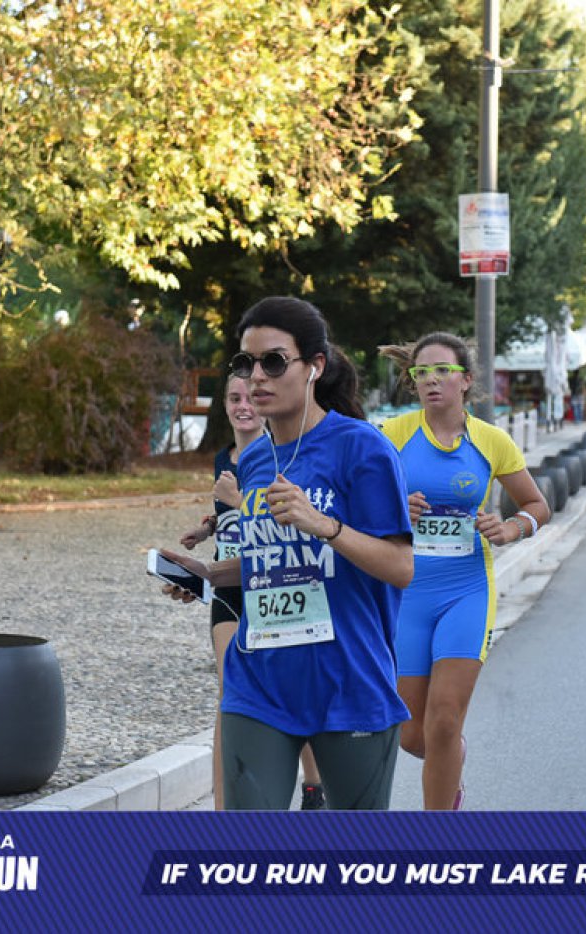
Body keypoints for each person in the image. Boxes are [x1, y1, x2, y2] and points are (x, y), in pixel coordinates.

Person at [157, 296, 414, 810]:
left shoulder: (362, 448)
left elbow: (400, 568)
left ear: (314, 366)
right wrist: (208, 573)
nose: (256, 376)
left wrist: (324, 525)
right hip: (260, 682)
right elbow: (272, 561)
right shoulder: (255, 460)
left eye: (273, 362)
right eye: (245, 363)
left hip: (348, 680)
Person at [380, 333, 551, 810]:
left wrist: (512, 527)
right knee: (411, 732)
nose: (431, 380)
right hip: (408, 593)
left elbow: (538, 505)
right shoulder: (391, 435)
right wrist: (394, 510)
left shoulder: (491, 441)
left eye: (443, 371)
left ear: (467, 380)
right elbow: (357, 504)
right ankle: (451, 764)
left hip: (467, 591)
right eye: (421, 373)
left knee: (444, 720)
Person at [178, 375, 324, 810]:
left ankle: (314, 785)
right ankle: (224, 810)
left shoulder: (282, 454)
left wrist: (239, 498)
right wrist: (207, 527)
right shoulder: (223, 458)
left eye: (248, 398)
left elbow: (284, 520)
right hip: (228, 589)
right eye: (233, 398)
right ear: (224, 405)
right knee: (230, 694)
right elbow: (226, 515)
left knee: (291, 689)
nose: (243, 406)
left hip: (273, 584)